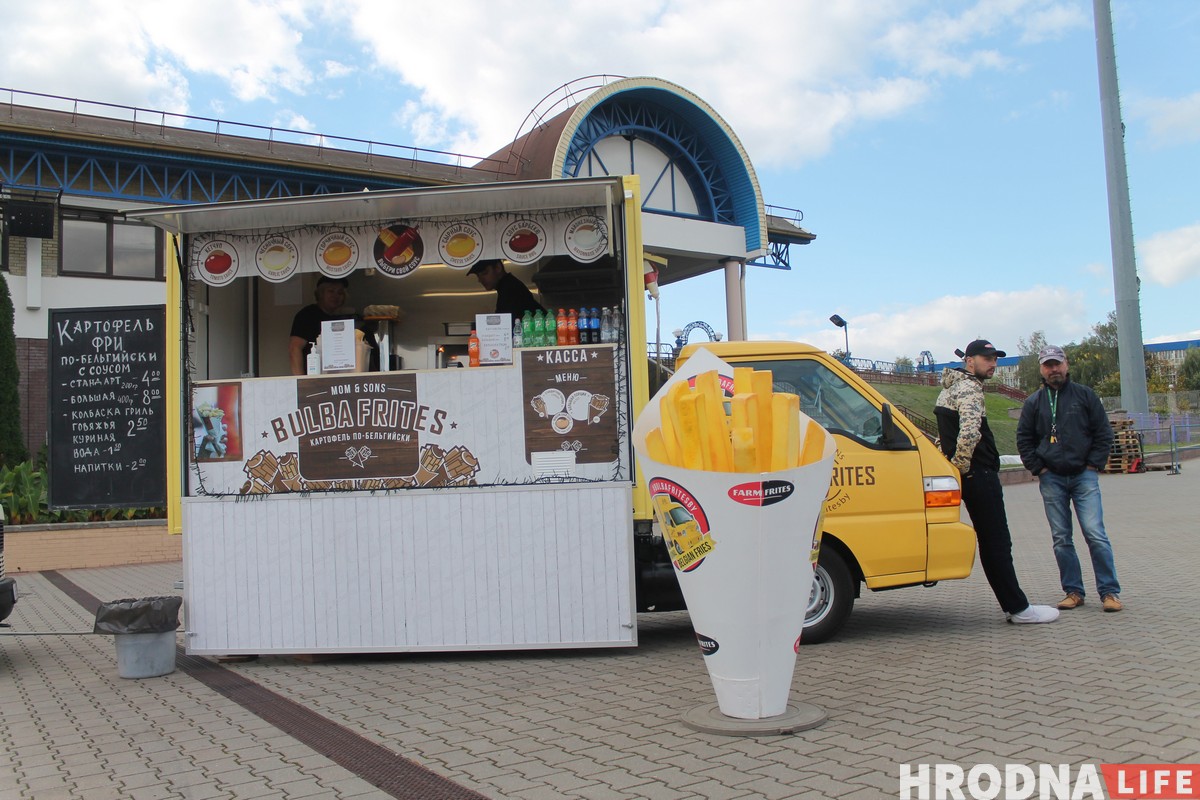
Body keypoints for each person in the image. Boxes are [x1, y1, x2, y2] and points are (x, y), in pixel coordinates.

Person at [934, 339, 1059, 624]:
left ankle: (1014, 604)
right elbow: (969, 433)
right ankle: (1018, 608)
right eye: (987, 358)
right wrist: (961, 467)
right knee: (997, 542)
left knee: (991, 542)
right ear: (969, 361)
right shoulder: (970, 390)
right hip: (980, 474)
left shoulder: (950, 388)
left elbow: (945, 436)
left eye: (995, 359)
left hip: (969, 474)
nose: (993, 364)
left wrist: (951, 467)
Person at [1016, 344, 1123, 612]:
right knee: (1061, 538)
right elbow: (1024, 439)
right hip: (1051, 478)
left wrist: (1092, 466)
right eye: (1048, 365)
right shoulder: (1033, 403)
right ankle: (1073, 591)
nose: (1054, 369)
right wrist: (1039, 468)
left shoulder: (1085, 396)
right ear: (1041, 369)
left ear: (1067, 365)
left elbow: (1103, 434)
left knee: (1095, 534)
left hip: (1083, 476)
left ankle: (1109, 593)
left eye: (1057, 364)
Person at [288, 276, 374, 375]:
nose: (336, 296)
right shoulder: (308, 315)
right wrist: (301, 382)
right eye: (331, 291)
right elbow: (294, 348)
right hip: (315, 379)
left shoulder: (344, 318)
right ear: (320, 294)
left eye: (340, 292)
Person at [466, 259, 543, 318]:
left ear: (498, 268)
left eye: (484, 273)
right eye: (478, 276)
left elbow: (505, 323)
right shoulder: (508, 285)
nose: (480, 280)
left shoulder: (510, 289)